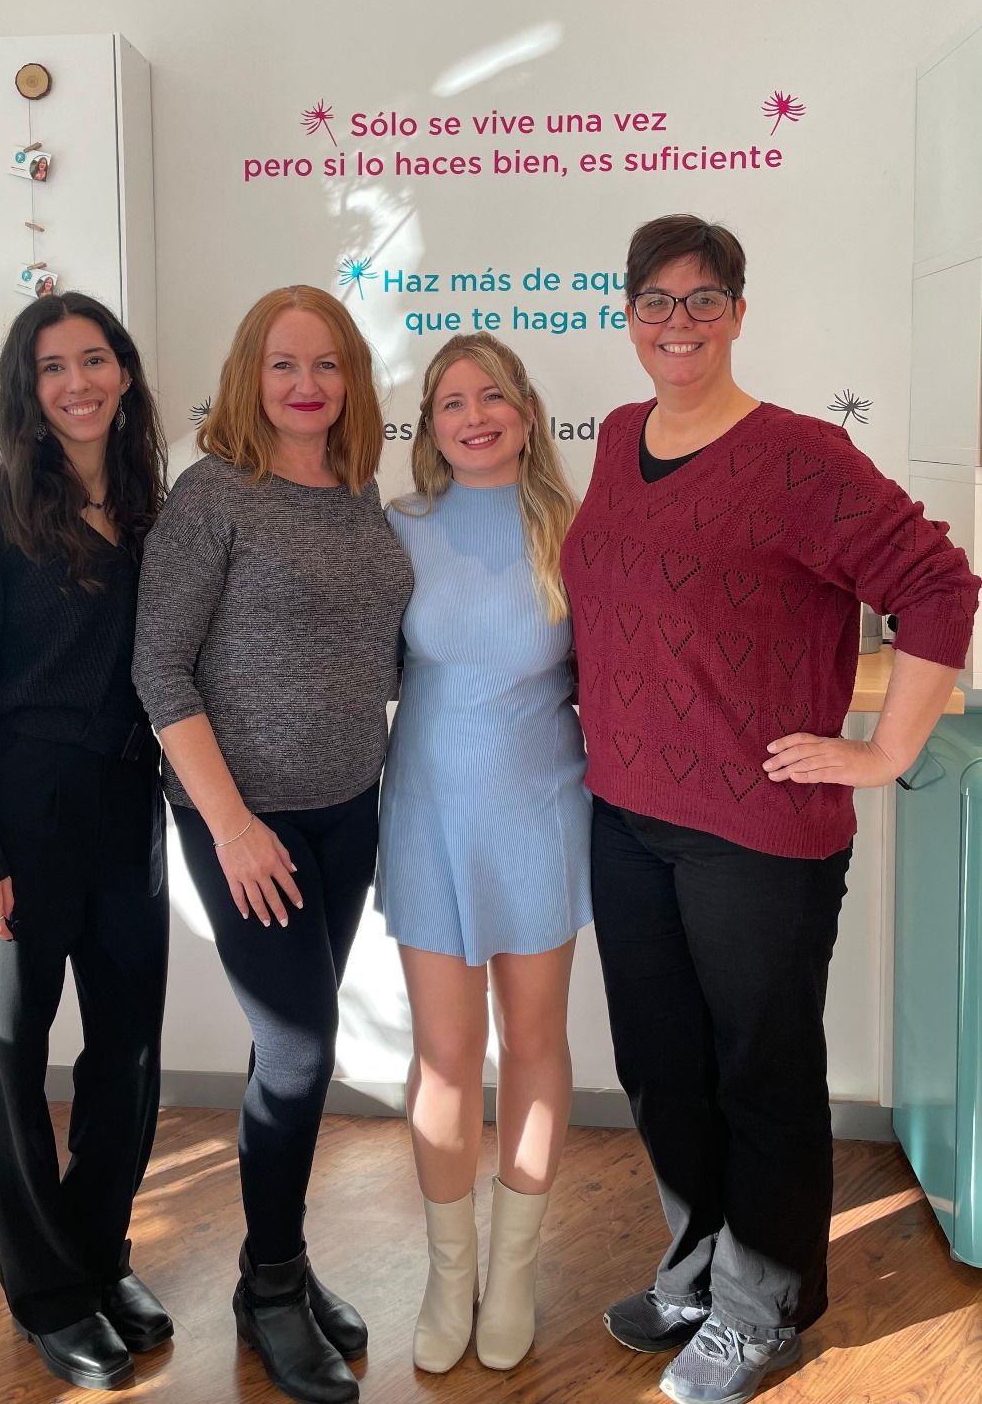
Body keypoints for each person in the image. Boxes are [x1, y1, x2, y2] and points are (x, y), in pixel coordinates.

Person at [561, 215, 980, 1404]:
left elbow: (937, 583)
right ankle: (698, 1265)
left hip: (756, 828)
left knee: (763, 1068)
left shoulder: (802, 456)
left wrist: (883, 749)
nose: (678, 322)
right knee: (658, 1061)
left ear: (740, 313)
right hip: (627, 810)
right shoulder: (621, 438)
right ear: (626, 313)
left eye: (704, 300)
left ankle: (764, 1307)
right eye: (655, 299)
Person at [133, 284, 413, 1404]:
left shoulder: (358, 493)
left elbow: (375, 651)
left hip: (349, 809)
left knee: (286, 1051)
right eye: (284, 364)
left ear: (351, 381)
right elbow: (160, 668)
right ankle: (271, 1278)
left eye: (328, 365)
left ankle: (274, 1277)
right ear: (249, 375)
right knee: (298, 1053)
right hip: (244, 825)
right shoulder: (212, 497)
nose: (306, 385)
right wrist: (234, 825)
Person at [0, 290, 172, 1393]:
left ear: (122, 374)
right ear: (27, 391)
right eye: (52, 367)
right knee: (10, 1064)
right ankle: (45, 1292)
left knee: (124, 1059)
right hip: (17, 823)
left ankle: (95, 1254)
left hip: (126, 818)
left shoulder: (152, 509)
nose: (77, 382)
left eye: (94, 359)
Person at [378, 334, 590, 1374]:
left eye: (490, 395)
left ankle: (510, 1274)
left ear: (524, 408)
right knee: (445, 1055)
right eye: (450, 402)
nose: (473, 415)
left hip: (542, 816)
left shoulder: (573, 527)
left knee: (535, 1044)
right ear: (427, 427)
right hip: (426, 816)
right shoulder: (397, 529)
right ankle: (444, 1270)